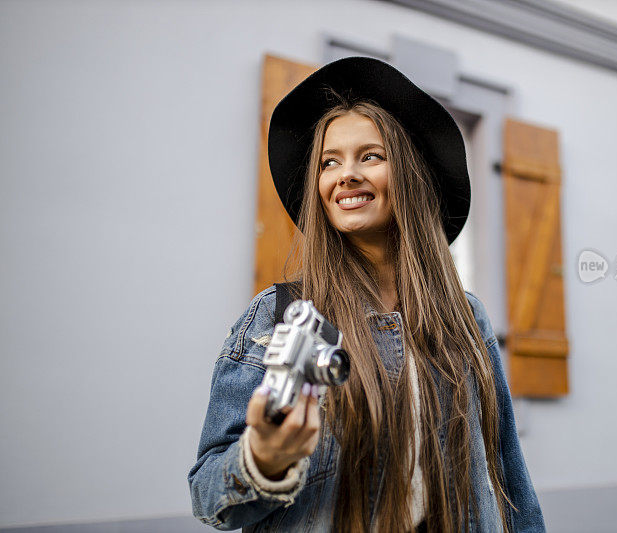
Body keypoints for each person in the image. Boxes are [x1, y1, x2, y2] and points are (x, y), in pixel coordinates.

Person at [188, 56, 546, 533]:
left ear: (409, 174)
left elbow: (508, 479)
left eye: (370, 156)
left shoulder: (466, 318)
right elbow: (209, 495)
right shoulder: (278, 317)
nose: (346, 175)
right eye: (328, 162)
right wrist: (263, 460)